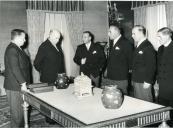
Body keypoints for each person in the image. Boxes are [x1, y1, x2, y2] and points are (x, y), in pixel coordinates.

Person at [34, 29, 65, 124]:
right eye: (56, 38)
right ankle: (49, 119)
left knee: (57, 99)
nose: (58, 40)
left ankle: (56, 117)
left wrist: (63, 75)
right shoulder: (44, 46)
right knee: (48, 100)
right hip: (48, 78)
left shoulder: (57, 45)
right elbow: (36, 63)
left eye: (59, 38)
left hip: (59, 77)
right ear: (50, 35)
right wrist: (44, 72)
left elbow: (60, 61)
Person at [4, 29, 32, 127]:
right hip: (15, 87)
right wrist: (23, 84)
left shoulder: (17, 48)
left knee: (21, 113)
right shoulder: (12, 49)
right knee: (17, 115)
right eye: (24, 38)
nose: (25, 40)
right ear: (18, 37)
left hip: (18, 85)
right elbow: (15, 68)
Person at [131, 25, 156, 102]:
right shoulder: (139, 45)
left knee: (146, 101)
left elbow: (151, 65)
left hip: (144, 80)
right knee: (139, 101)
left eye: (134, 33)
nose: (132, 36)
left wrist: (148, 81)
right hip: (137, 79)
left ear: (141, 33)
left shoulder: (147, 46)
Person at [106, 25, 133, 94]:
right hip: (111, 76)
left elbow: (131, 60)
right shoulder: (113, 42)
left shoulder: (126, 43)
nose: (108, 34)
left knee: (122, 95)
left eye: (110, 32)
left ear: (116, 32)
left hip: (121, 78)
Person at [157, 27, 173, 107]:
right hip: (162, 86)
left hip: (171, 86)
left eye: (159, 36)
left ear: (167, 36)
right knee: (163, 109)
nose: (158, 39)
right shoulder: (160, 49)